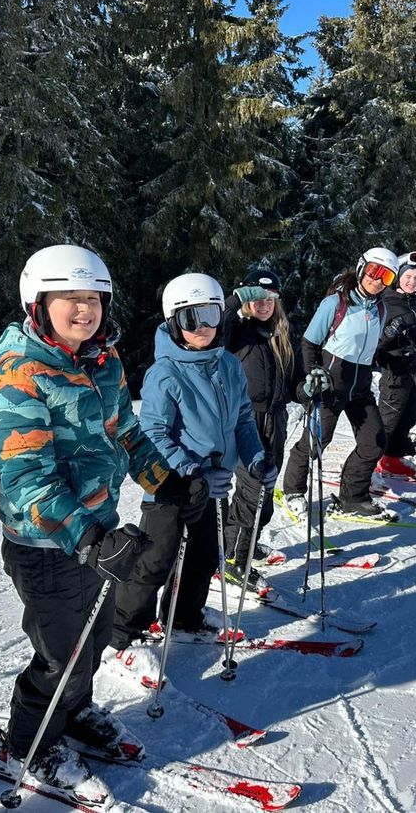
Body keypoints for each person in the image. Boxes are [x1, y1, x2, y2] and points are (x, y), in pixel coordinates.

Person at [0, 245, 207, 796]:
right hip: (47, 544)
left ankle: (76, 714)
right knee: (60, 655)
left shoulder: (103, 361)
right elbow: (27, 478)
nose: (84, 310)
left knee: (96, 636)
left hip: (99, 536)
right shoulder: (20, 373)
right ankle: (28, 745)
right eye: (70, 299)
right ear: (38, 303)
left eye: (93, 299)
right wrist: (87, 536)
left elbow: (126, 435)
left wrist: (166, 480)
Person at [111, 272, 276, 649]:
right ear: (174, 323)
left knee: (203, 556)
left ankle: (184, 616)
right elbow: (153, 434)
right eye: (191, 318)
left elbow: (244, 419)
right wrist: (193, 470)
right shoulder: (164, 373)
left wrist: (255, 459)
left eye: (211, 316)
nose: (202, 327)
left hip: (214, 484)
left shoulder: (229, 365)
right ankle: (124, 630)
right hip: (173, 486)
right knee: (156, 558)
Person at [281, 247, 396, 518]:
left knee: (374, 442)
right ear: (361, 269)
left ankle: (352, 496)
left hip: (361, 388)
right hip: (331, 386)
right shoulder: (336, 303)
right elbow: (309, 343)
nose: (378, 280)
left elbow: (372, 347)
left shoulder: (381, 307)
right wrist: (312, 374)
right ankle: (293, 491)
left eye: (387, 277)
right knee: (315, 442)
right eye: (374, 272)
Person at [221, 267, 301, 591]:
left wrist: (307, 388)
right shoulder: (236, 330)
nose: (264, 304)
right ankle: (231, 559)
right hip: (245, 421)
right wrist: (233, 301)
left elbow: (296, 380)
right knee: (251, 492)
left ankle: (247, 544)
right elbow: (214, 336)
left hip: (276, 420)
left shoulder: (282, 332)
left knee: (266, 491)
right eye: (257, 297)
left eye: (270, 298)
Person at [374, 251, 416, 480]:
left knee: (408, 417)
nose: (412, 281)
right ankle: (371, 464)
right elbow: (376, 344)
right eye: (408, 276)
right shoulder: (385, 302)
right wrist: (391, 332)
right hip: (395, 371)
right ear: (397, 276)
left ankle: (392, 458)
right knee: (388, 419)